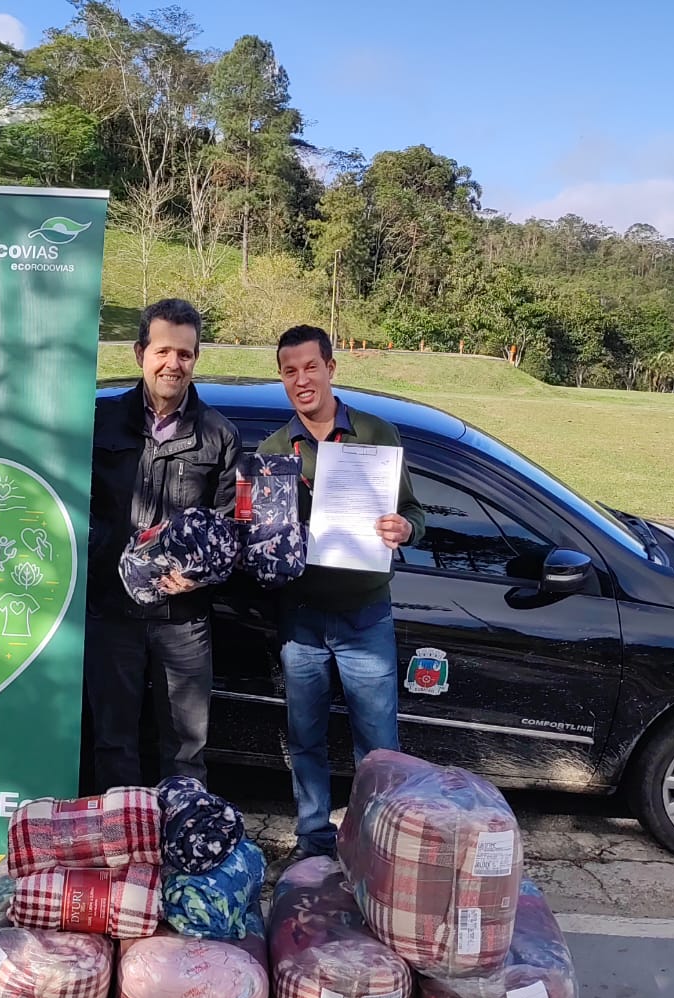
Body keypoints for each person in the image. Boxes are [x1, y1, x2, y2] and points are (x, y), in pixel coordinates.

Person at [258, 325, 426, 859]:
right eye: (290, 371)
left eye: (311, 367)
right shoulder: (274, 450)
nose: (302, 379)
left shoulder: (377, 435)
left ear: (332, 368)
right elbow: (262, 535)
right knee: (305, 739)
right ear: (282, 379)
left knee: (378, 747)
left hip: (364, 617)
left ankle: (379, 843)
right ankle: (313, 842)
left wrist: (405, 530)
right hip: (302, 620)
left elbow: (414, 513)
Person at [85, 298, 241, 791]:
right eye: (163, 351)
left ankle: (180, 852)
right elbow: (72, 506)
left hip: (184, 619)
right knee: (113, 744)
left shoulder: (220, 435)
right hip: (110, 613)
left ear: (196, 359)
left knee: (186, 750)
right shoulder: (99, 423)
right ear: (140, 354)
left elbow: (230, 528)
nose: (174, 364)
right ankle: (125, 851)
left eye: (186, 354)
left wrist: (200, 573)